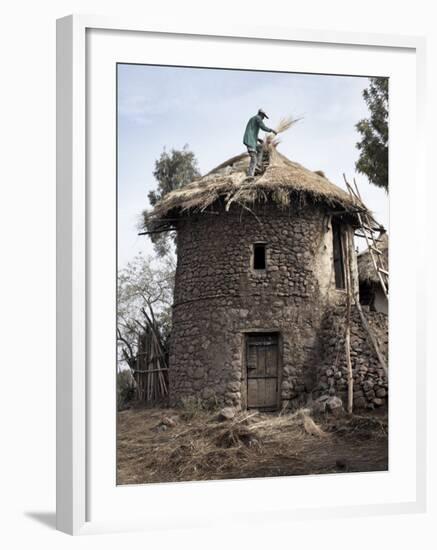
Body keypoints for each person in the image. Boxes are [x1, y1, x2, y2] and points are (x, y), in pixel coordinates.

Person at [243, 109, 277, 177]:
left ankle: (258, 165)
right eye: (263, 116)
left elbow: (252, 131)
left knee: (260, 147)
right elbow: (263, 127)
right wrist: (271, 130)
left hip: (253, 140)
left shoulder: (253, 119)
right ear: (261, 114)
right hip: (250, 141)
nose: (263, 118)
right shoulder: (257, 118)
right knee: (254, 159)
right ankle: (250, 176)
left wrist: (258, 139)